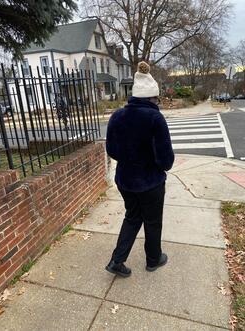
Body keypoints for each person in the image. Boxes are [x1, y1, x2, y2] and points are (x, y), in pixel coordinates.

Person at [105, 61, 174, 277]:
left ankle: (117, 260)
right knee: (152, 221)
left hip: (125, 180)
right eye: (157, 98)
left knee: (132, 217)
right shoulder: (155, 118)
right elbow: (166, 161)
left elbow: (112, 151)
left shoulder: (117, 116)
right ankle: (153, 259)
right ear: (152, 97)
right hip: (150, 182)